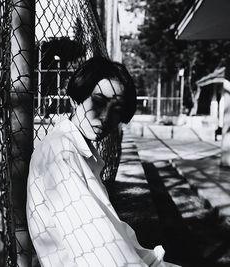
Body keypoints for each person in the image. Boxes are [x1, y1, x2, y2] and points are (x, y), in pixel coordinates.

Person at [26, 56, 180, 267]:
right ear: (75, 100)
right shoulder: (61, 152)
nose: (106, 116)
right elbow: (101, 253)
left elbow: (116, 237)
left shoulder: (79, 150)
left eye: (116, 109)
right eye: (98, 102)